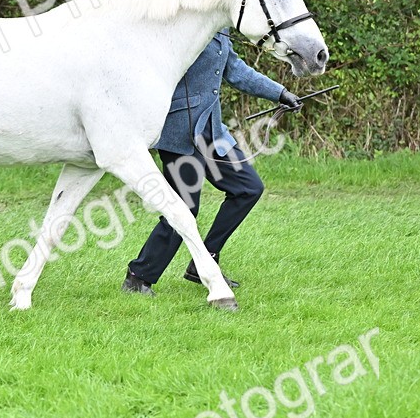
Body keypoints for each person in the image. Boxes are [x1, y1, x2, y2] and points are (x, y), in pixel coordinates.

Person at [122, 30, 302, 296]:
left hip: (212, 131)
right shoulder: (182, 27)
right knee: (184, 208)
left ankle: (204, 261)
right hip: (179, 131)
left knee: (248, 188)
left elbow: (237, 71)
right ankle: (139, 276)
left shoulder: (219, 31)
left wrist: (280, 93)